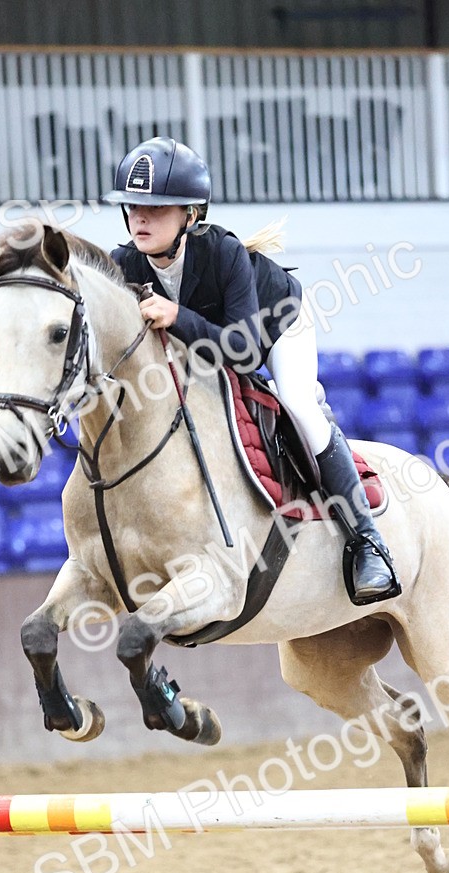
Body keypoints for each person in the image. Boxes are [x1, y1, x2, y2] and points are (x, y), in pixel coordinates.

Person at [103, 136, 398, 602]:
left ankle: (368, 542)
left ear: (190, 214)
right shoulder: (123, 264)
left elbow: (242, 353)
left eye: (156, 209)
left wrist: (177, 316)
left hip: (275, 326)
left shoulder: (224, 252)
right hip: (206, 345)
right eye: (133, 207)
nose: (140, 218)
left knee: (298, 403)